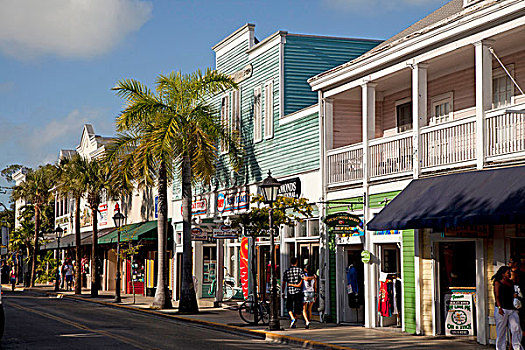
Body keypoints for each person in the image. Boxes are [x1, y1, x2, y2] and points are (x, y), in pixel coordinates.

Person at [492, 265, 523, 350]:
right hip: (502, 309)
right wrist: (499, 308)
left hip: (512, 309)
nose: (509, 274)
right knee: (501, 332)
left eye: (510, 272)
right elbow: (496, 296)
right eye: (507, 272)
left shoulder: (511, 283)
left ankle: (517, 347)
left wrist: (515, 296)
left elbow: (513, 294)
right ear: (503, 274)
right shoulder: (497, 282)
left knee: (516, 328)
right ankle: (500, 348)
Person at [282, 257, 304, 328]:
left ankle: (292, 318)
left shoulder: (287, 271)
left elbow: (284, 282)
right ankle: (294, 320)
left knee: (289, 306)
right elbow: (303, 278)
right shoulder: (299, 270)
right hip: (297, 291)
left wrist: (282, 291)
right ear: (296, 262)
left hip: (290, 291)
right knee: (297, 307)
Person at [300, 265, 317, 329]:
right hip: (312, 292)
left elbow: (306, 278)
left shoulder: (303, 276)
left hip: (305, 292)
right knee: (309, 309)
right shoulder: (314, 277)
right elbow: (315, 287)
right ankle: (308, 321)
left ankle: (307, 321)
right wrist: (315, 293)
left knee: (304, 309)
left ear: (305, 269)